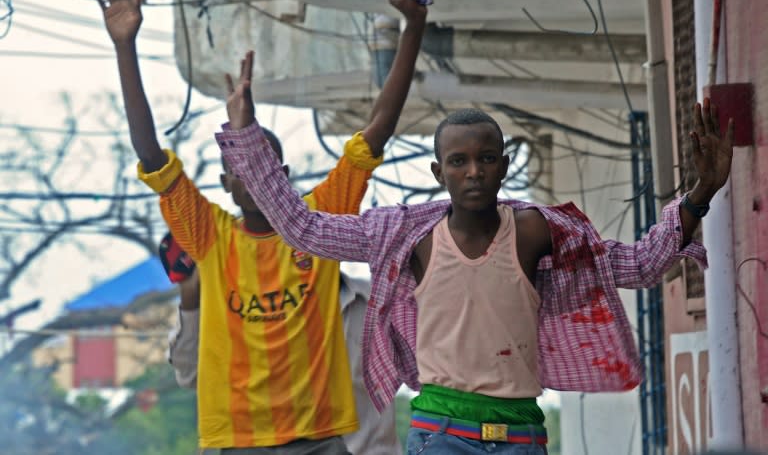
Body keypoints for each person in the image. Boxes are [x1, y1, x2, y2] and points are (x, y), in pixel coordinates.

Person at [216, 57, 734, 454]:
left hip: (521, 436)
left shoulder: (538, 231)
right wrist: (246, 137)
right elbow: (302, 227)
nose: (473, 172)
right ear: (438, 173)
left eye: (486, 159)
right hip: (442, 433)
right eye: (458, 161)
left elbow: (640, 266)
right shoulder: (406, 236)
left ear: (504, 167)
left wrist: (700, 194)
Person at [96, 0, 428, 453]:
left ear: (283, 173)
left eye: (261, 162)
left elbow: (376, 132)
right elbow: (151, 156)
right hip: (235, 439)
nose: (250, 175)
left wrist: (413, 28)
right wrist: (124, 46)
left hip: (320, 437)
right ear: (225, 185)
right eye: (237, 168)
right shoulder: (209, 233)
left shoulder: (319, 221)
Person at [161, 232, 402, 454]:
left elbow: (432, 371)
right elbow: (191, 374)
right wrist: (191, 299)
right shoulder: (242, 319)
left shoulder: (377, 303)